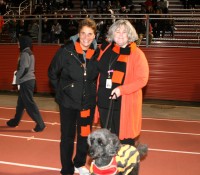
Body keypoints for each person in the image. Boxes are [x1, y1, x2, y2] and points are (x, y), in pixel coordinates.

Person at [48, 18, 99, 175]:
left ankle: (79, 163)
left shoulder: (97, 53)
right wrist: (61, 92)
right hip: (68, 104)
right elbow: (52, 72)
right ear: (78, 34)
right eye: (83, 33)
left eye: (90, 34)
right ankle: (67, 168)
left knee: (85, 136)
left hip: (87, 104)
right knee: (68, 137)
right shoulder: (66, 50)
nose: (86, 37)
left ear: (94, 36)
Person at [94, 19, 149, 147]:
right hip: (104, 101)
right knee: (107, 140)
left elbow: (142, 79)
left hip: (124, 104)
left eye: (124, 32)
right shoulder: (107, 49)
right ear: (112, 34)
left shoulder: (137, 54)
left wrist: (121, 90)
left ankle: (125, 166)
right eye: (117, 31)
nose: (120, 35)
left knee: (124, 141)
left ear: (130, 35)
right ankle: (111, 165)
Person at [7, 35, 46, 132]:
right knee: (20, 104)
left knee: (29, 104)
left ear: (23, 42)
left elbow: (24, 68)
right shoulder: (30, 53)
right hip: (29, 81)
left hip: (26, 81)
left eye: (19, 42)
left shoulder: (24, 53)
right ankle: (15, 121)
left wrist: (17, 79)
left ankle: (40, 124)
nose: (18, 43)